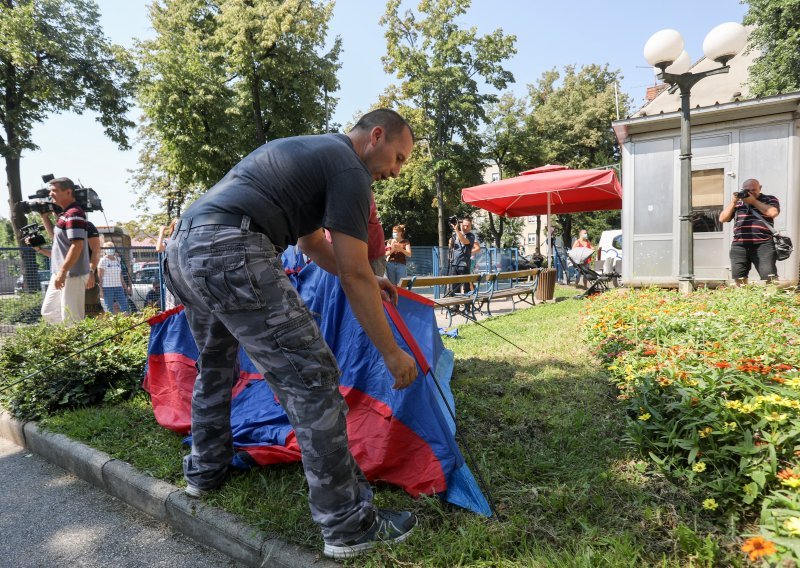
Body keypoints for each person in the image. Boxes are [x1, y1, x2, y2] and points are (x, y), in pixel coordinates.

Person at [163, 108, 419, 560]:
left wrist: (364, 276)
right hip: (232, 248)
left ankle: (205, 472)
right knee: (314, 380)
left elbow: (311, 244)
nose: (395, 173)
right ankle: (348, 525)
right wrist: (392, 354)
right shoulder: (349, 168)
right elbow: (356, 273)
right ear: (375, 136)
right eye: (397, 158)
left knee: (216, 367)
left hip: (185, 250)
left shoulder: (314, 152)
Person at [37, 177, 90, 324]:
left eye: (54, 191)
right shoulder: (65, 215)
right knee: (48, 312)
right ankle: (68, 338)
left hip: (72, 274)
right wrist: (44, 217)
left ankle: (76, 340)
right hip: (60, 272)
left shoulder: (74, 214)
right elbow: (57, 239)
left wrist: (63, 271)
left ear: (68, 192)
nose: (50, 194)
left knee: (72, 319)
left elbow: (77, 245)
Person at [32, 220, 102, 317]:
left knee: (90, 311)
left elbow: (96, 251)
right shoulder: (60, 229)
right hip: (63, 275)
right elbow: (58, 256)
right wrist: (39, 249)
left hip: (83, 275)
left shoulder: (84, 226)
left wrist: (91, 271)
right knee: (51, 312)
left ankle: (96, 330)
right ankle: (71, 330)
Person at [719, 178, 780, 285]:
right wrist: (733, 202)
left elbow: (773, 213)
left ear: (760, 188)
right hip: (739, 245)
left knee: (769, 276)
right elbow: (722, 219)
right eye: (747, 190)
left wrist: (753, 202)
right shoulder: (738, 202)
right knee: (739, 276)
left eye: (753, 189)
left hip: (763, 244)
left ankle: (772, 299)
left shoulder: (769, 199)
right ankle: (743, 299)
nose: (750, 192)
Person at [98, 241, 132, 313]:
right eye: (108, 248)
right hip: (107, 288)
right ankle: (111, 323)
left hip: (119, 287)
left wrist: (126, 287)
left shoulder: (118, 259)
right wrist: (100, 290)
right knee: (109, 308)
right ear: (105, 250)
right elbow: (100, 277)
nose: (110, 250)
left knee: (124, 306)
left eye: (111, 248)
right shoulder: (103, 261)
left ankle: (125, 322)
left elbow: (120, 276)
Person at [448, 217, 479, 293]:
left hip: (464, 265)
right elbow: (451, 248)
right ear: (461, 225)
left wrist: (457, 230)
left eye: (468, 226)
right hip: (454, 264)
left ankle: (467, 304)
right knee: (455, 288)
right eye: (464, 225)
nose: (466, 227)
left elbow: (464, 241)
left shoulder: (471, 236)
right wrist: (450, 243)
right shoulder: (455, 235)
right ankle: (456, 304)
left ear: (470, 226)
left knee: (466, 287)